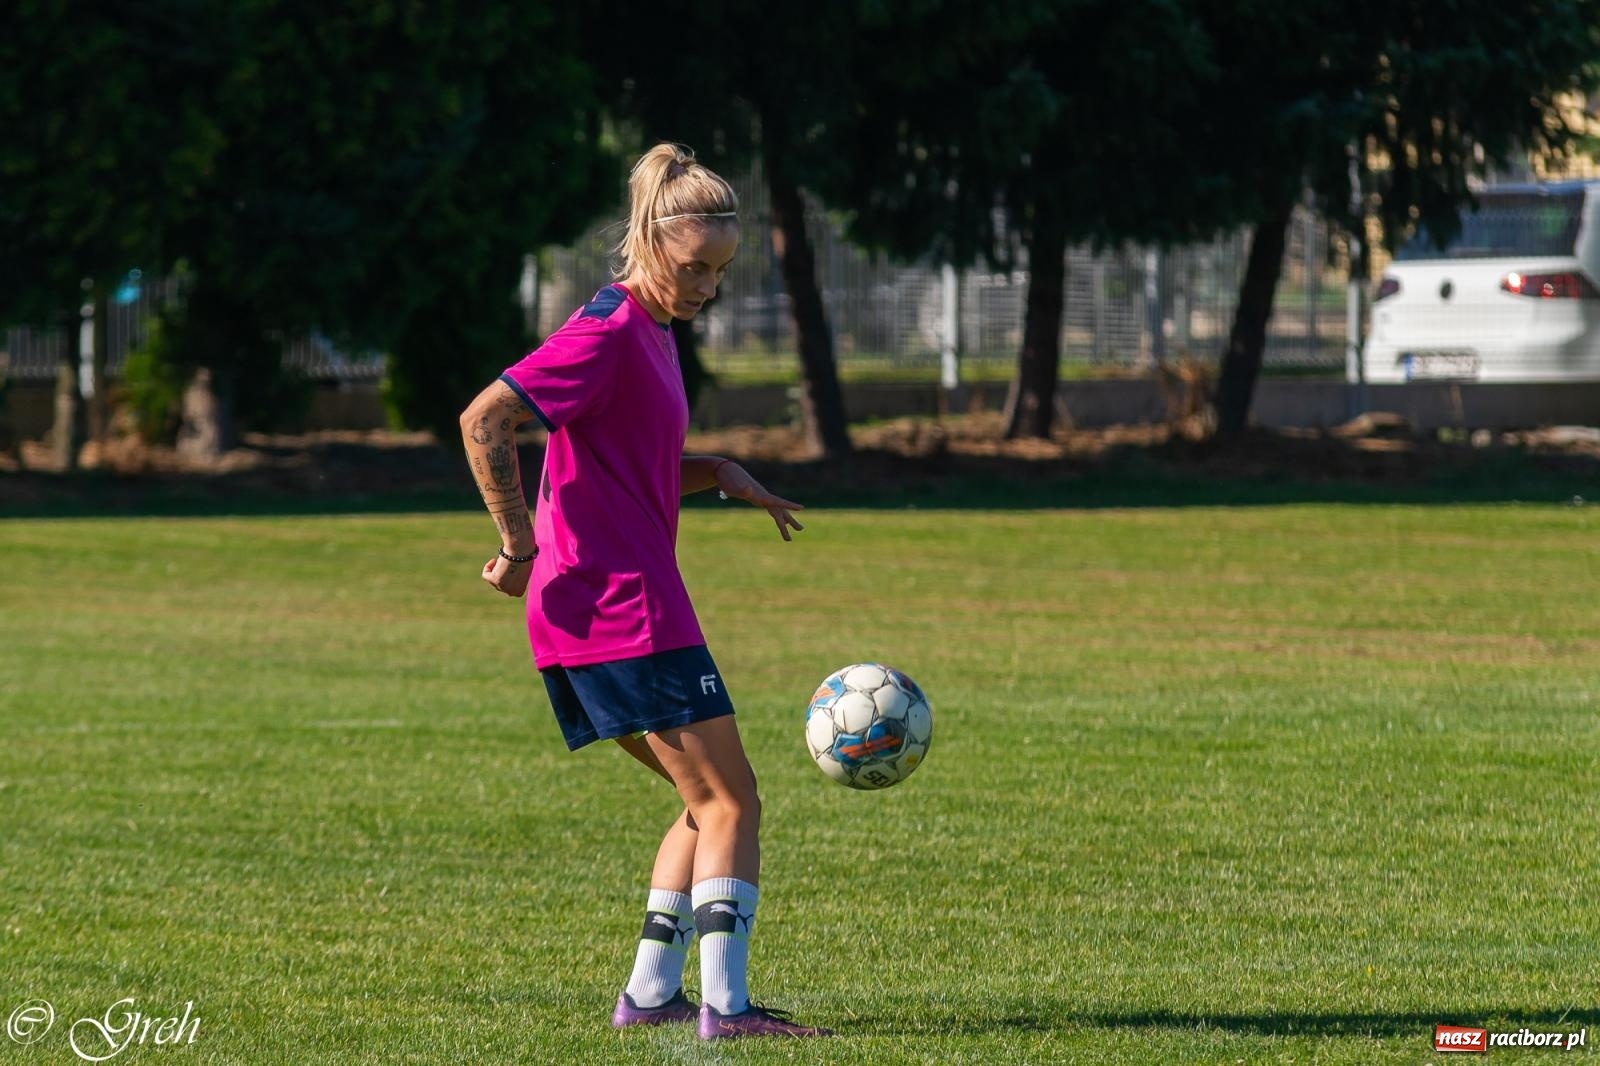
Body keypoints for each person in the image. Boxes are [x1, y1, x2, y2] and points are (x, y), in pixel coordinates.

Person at [457, 143, 832, 1041]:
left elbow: (627, 459)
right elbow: (485, 419)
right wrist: (516, 544)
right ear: (651, 240)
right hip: (621, 607)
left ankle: (652, 994)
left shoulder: (649, 330)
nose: (708, 286)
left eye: (720, 271)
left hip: (604, 609)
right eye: (695, 266)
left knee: (703, 802)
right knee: (731, 803)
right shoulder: (608, 330)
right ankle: (728, 1010)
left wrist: (720, 470)